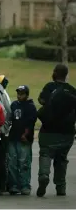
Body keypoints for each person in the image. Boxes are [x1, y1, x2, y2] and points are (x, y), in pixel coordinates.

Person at [36, 64, 76, 197]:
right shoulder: (72, 90)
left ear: (55, 73)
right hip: (67, 132)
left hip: (48, 131)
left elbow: (41, 100)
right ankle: (61, 187)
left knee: (45, 154)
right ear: (66, 75)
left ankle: (44, 175)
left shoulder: (49, 87)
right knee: (61, 159)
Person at [7, 85, 37, 196]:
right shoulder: (14, 105)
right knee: (12, 163)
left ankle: (25, 185)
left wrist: (26, 134)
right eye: (18, 93)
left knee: (24, 162)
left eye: (22, 93)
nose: (19, 96)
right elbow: (10, 119)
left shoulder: (30, 106)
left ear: (27, 95)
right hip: (13, 137)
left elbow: (31, 122)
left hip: (24, 139)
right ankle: (14, 185)